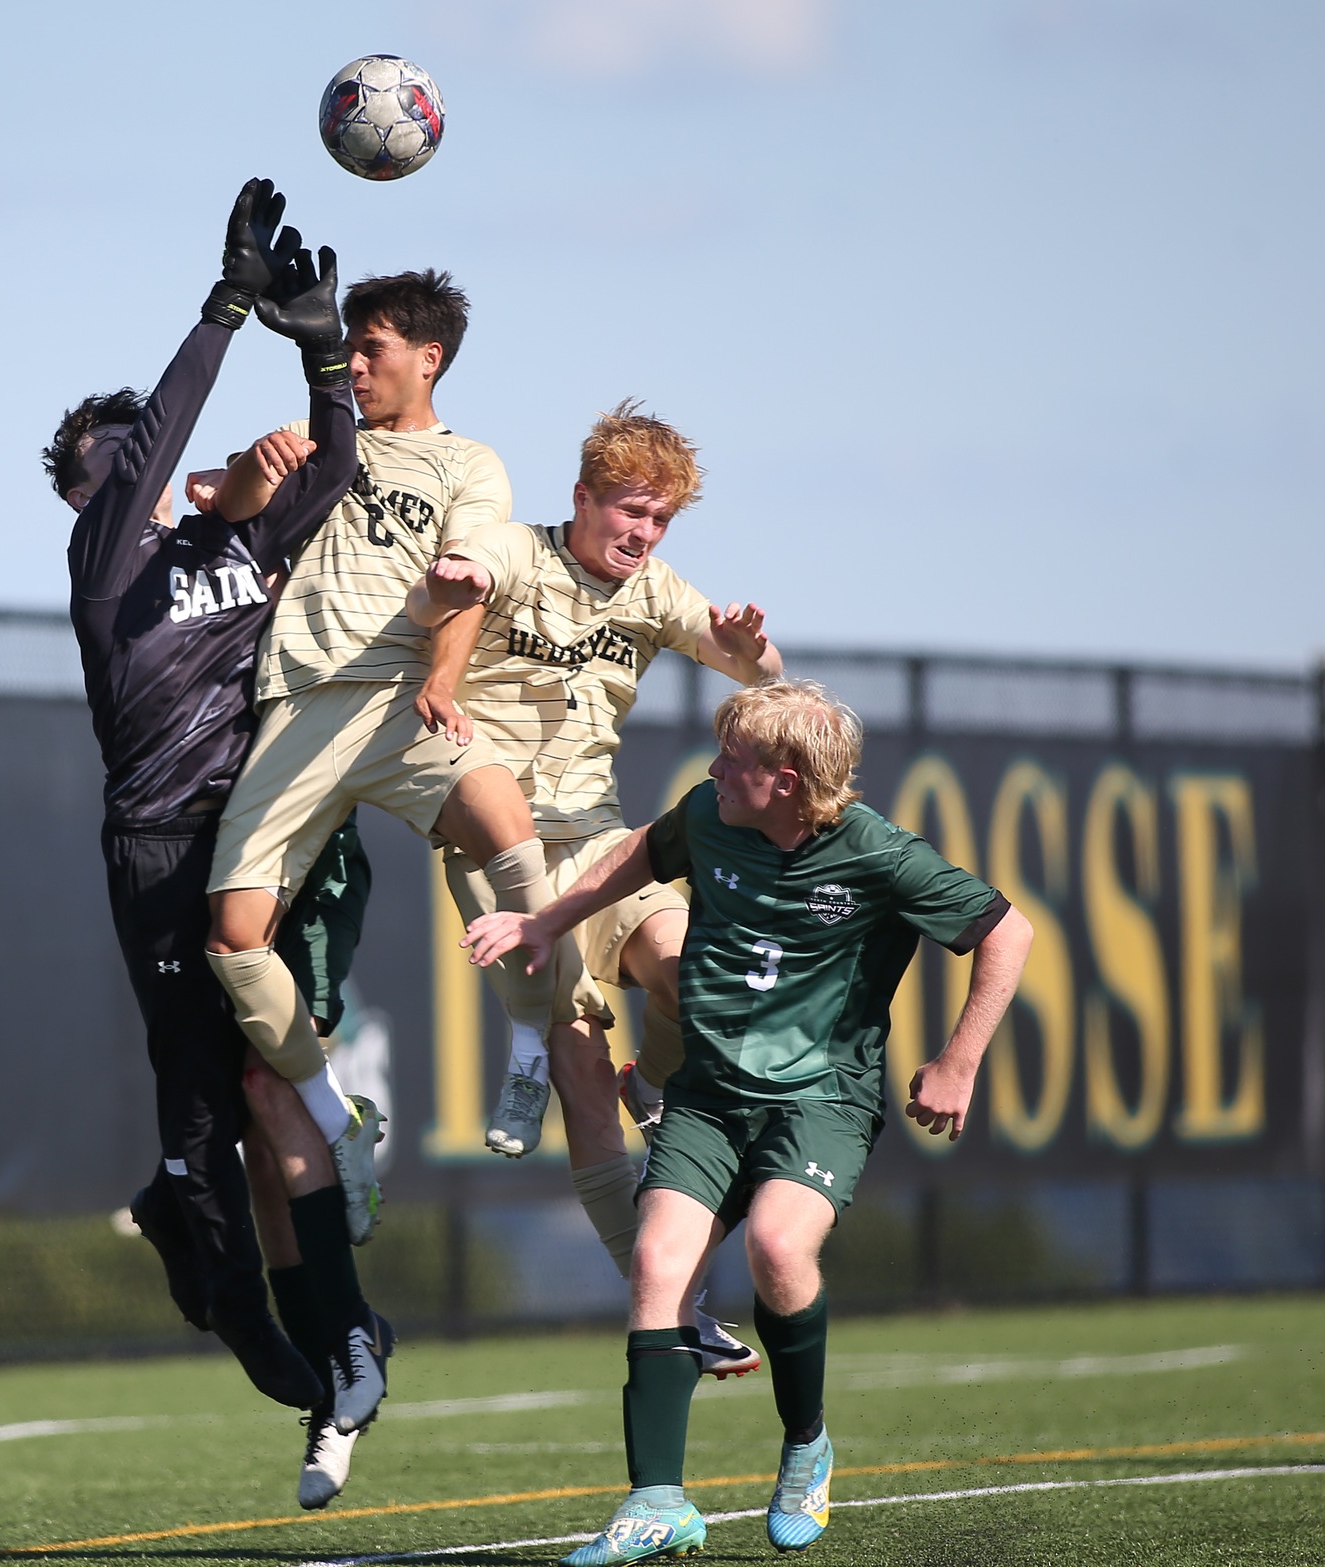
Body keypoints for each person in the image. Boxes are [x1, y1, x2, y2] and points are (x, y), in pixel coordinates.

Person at [465, 681, 1034, 1562]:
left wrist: (957, 1063)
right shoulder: (709, 814)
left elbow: (1008, 932)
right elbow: (638, 856)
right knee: (657, 1265)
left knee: (775, 1248)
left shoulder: (878, 853)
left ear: (789, 777)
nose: (714, 768)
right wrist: (548, 922)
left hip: (821, 1100)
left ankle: (805, 1443)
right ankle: (655, 1502)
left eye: (734, 758)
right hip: (707, 1094)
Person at [47, 177, 387, 1504]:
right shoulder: (100, 564)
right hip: (158, 855)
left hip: (260, 845)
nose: (129, 470)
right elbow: (143, 455)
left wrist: (317, 350)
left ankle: (341, 1327)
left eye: (133, 455)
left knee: (272, 1099)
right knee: (202, 1134)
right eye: (106, 465)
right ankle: (240, 1311)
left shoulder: (235, 540)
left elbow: (337, 469)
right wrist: (221, 306)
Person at [405, 402, 784, 1378]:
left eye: (657, 520)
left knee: (696, 973)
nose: (640, 533)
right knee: (579, 1070)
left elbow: (754, 666)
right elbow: (475, 565)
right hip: (500, 853)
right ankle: (673, 1310)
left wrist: (749, 650)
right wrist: (458, 577)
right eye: (627, 510)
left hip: (603, 846)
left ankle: (649, 1083)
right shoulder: (525, 554)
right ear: (580, 498)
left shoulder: (652, 588)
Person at [200, 269, 557, 1268]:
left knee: (510, 830)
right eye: (346, 349)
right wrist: (251, 466)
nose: (353, 365)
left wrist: (443, 671)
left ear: (427, 358)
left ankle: (527, 1048)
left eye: (374, 349)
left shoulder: (466, 462)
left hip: (403, 693)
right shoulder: (318, 437)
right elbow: (216, 506)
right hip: (301, 704)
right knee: (234, 939)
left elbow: (472, 575)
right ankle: (333, 1113)